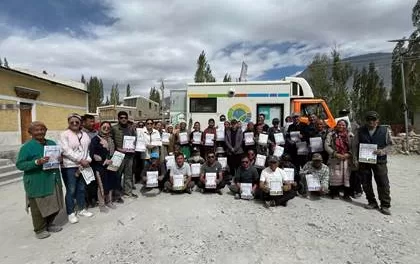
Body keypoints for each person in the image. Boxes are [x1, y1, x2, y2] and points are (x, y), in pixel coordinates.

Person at [16, 121, 64, 239]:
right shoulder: (26, 147)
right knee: (38, 206)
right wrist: (37, 162)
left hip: (53, 179)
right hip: (37, 181)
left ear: (46, 131)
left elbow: (57, 159)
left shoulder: (51, 143)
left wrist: (60, 158)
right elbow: (20, 165)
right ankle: (40, 229)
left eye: (42, 129)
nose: (40, 132)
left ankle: (50, 224)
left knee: (55, 203)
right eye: (36, 130)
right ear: (30, 132)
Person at [353, 111, 392, 215]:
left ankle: (385, 205)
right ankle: (372, 202)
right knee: (365, 182)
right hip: (364, 161)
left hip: (380, 161)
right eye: (369, 119)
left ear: (377, 121)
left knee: (383, 182)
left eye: (373, 119)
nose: (371, 122)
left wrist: (382, 151)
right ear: (366, 121)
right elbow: (355, 145)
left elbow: (391, 145)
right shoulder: (360, 131)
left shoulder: (385, 131)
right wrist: (355, 159)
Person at [60, 113, 93, 223]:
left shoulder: (84, 134)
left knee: (82, 188)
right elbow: (66, 150)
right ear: (68, 123)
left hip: (83, 166)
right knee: (71, 190)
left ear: (80, 123)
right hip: (69, 166)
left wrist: (88, 159)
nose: (74, 123)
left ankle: (82, 208)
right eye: (72, 122)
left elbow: (87, 150)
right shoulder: (64, 134)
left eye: (77, 122)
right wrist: (80, 159)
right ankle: (70, 213)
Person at [89, 121, 118, 213]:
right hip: (100, 167)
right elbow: (92, 154)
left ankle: (109, 201)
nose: (106, 129)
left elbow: (113, 152)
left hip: (111, 166)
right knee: (101, 186)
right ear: (100, 128)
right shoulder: (95, 140)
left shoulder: (111, 139)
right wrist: (103, 161)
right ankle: (102, 204)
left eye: (108, 127)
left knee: (110, 184)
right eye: (104, 127)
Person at [324, 119, 354, 201]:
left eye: (343, 125)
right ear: (336, 125)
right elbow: (327, 146)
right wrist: (335, 154)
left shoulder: (350, 135)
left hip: (347, 159)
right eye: (339, 124)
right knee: (335, 176)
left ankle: (347, 194)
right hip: (335, 158)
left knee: (347, 176)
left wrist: (348, 154)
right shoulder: (331, 134)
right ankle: (334, 193)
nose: (341, 126)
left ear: (346, 126)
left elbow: (354, 146)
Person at [111, 111, 137, 200]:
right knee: (117, 175)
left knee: (128, 175)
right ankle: (117, 194)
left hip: (129, 155)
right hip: (118, 155)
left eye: (125, 118)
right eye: (121, 118)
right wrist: (117, 149)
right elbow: (111, 141)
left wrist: (133, 147)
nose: (123, 119)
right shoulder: (114, 128)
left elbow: (135, 140)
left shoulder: (131, 128)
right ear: (118, 119)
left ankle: (128, 192)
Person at [338, 109, 363, 198]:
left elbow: (358, 138)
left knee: (355, 172)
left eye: (345, 113)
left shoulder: (355, 125)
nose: (344, 115)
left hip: (352, 152)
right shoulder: (337, 122)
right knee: (344, 172)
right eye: (342, 113)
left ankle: (357, 189)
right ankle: (345, 189)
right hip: (342, 153)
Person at [82, 114, 99, 208]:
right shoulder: (81, 133)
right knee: (86, 181)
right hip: (85, 161)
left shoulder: (96, 132)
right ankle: (86, 200)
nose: (93, 123)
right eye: (91, 121)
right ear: (84, 122)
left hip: (96, 161)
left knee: (94, 181)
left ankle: (94, 198)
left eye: (93, 121)